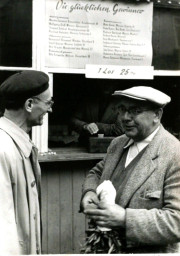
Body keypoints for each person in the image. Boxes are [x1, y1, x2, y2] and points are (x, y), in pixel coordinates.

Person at [80, 86, 180, 253]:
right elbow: (96, 173)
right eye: (122, 110)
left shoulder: (174, 154)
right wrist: (89, 193)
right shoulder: (118, 144)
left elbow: (176, 223)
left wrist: (125, 218)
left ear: (157, 115)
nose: (125, 118)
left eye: (135, 111)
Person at [0, 70, 53, 255]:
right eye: (48, 103)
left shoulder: (19, 143)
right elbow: (3, 230)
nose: (50, 109)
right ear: (29, 104)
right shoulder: (2, 148)